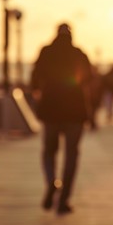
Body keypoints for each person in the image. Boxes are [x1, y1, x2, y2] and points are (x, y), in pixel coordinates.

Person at [31, 23, 92, 214]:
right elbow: (88, 77)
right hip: (74, 110)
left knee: (49, 151)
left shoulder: (46, 51)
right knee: (71, 155)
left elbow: (35, 77)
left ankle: (51, 182)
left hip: (51, 109)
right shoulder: (79, 53)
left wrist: (42, 91)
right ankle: (63, 200)